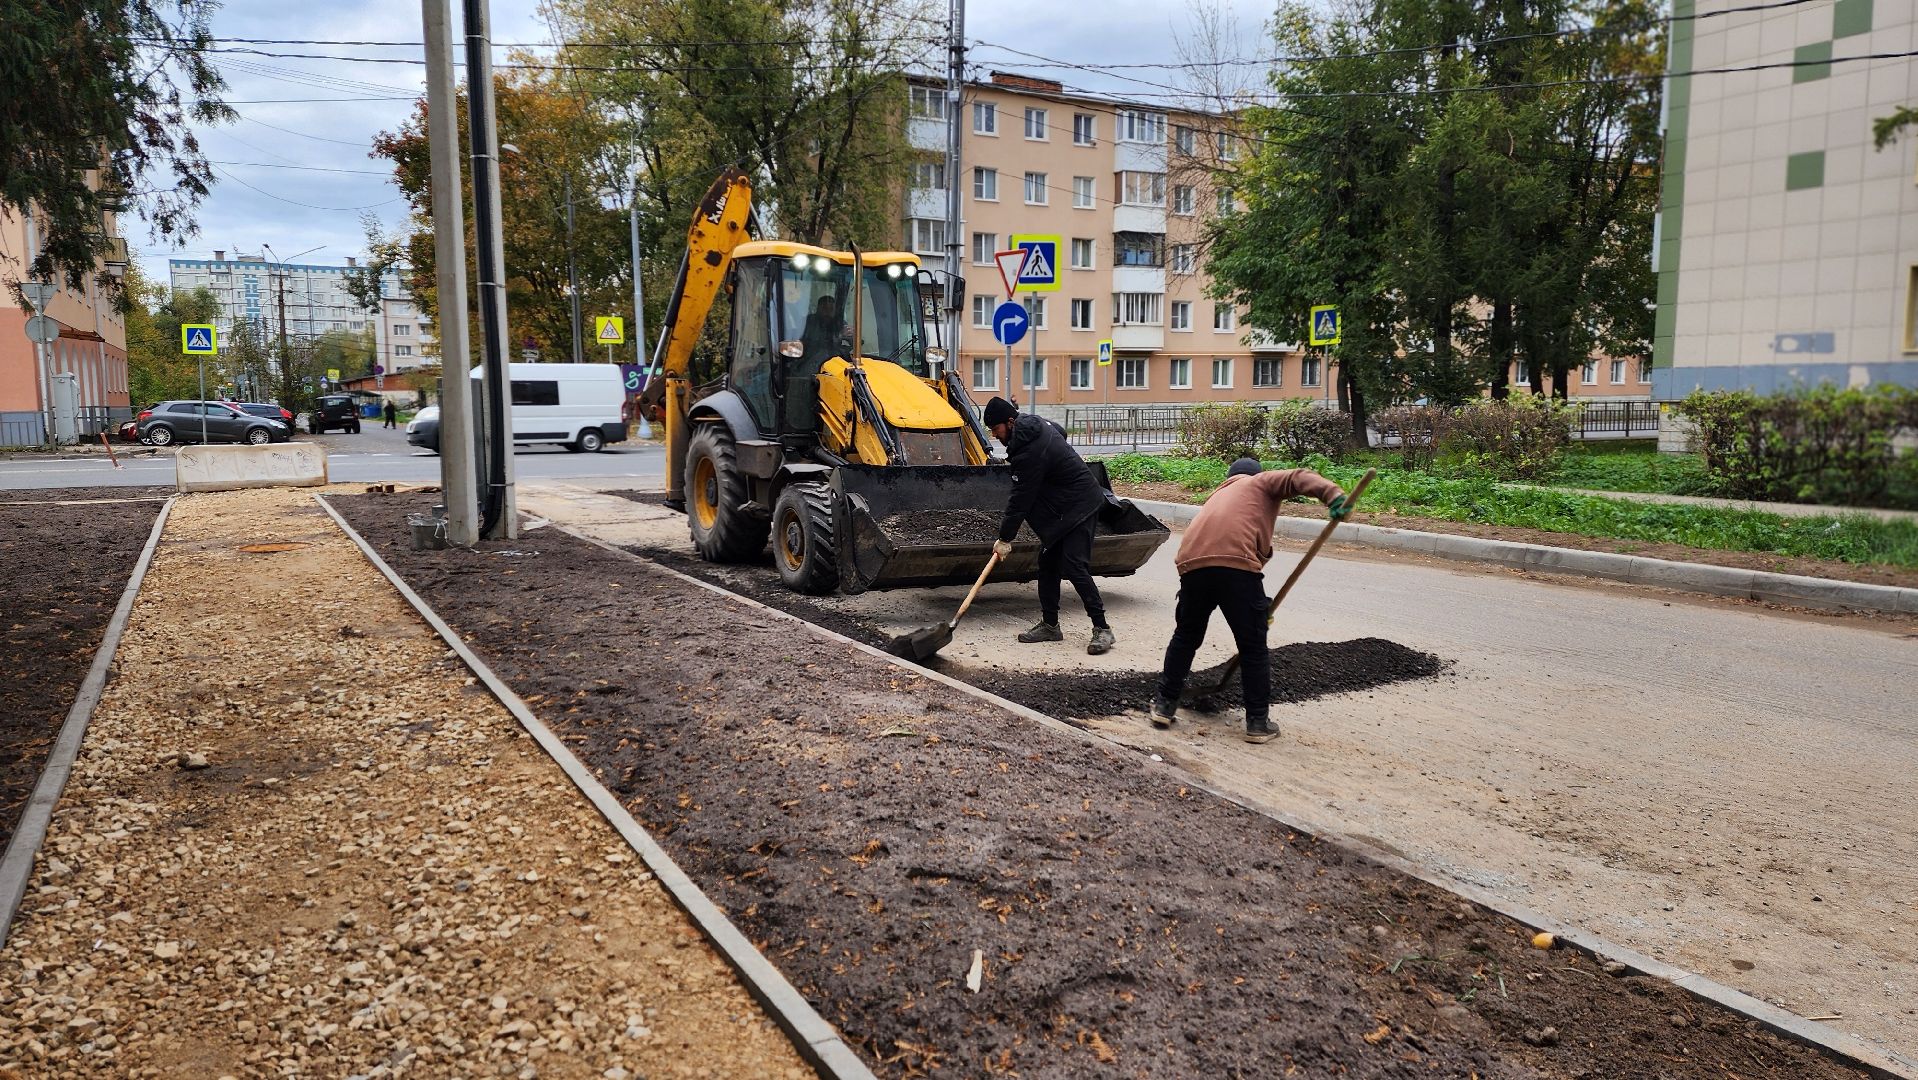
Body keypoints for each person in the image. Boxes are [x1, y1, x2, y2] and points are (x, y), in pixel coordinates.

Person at [1153, 458, 1348, 744]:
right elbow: (1298, 477)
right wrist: (1334, 495)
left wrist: (1257, 607)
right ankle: (1257, 722)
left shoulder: (1218, 495)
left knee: (1186, 636)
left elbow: (1248, 549)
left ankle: (1164, 705)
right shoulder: (1258, 481)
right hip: (1235, 567)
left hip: (1192, 567)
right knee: (1253, 647)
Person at [984, 396, 1116, 655]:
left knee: (1073, 565)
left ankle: (1103, 629)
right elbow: (1061, 431)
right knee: (1048, 564)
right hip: (1063, 507)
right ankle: (1050, 626)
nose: (994, 435)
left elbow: (1021, 498)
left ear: (1010, 422)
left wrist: (1005, 538)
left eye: (996, 429)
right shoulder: (1035, 425)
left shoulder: (1029, 452)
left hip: (1081, 504)